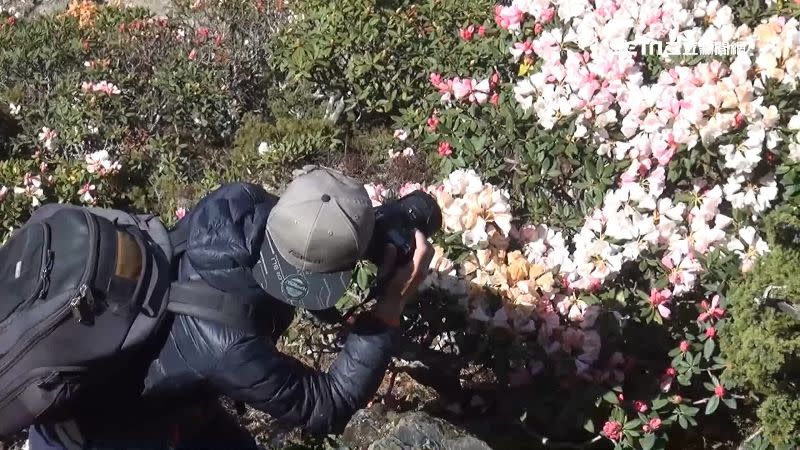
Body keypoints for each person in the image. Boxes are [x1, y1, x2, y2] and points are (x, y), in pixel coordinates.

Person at [25, 165, 435, 450]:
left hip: (155, 392)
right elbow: (328, 405)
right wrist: (388, 309)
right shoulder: (232, 349)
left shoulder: (235, 202)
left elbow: (292, 255)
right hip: (100, 436)